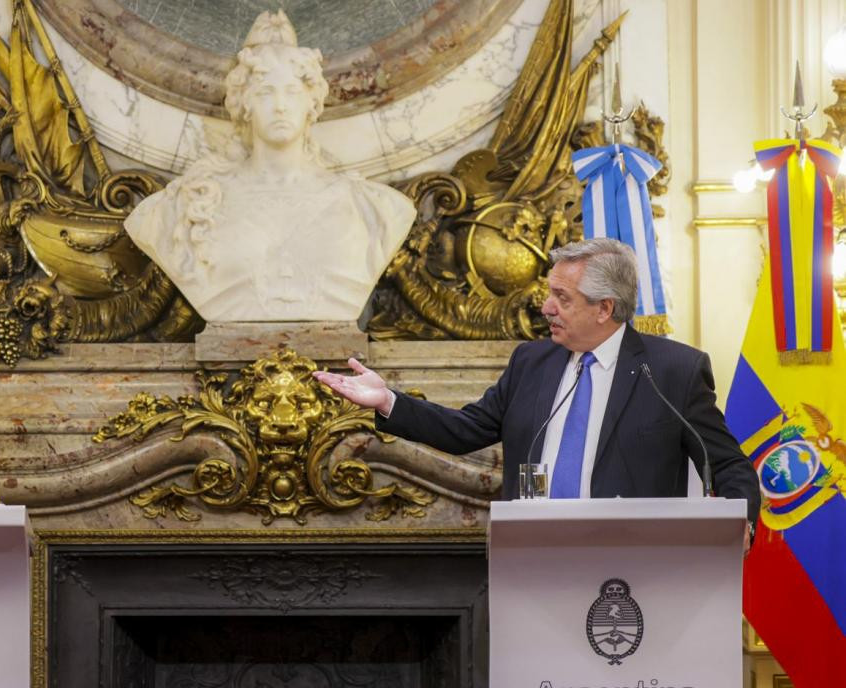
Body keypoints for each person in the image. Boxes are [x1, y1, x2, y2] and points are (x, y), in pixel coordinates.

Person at [313, 238, 761, 522]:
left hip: (632, 565)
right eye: (549, 293)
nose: (545, 307)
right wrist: (388, 400)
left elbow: (726, 462)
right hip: (534, 559)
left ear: (604, 308)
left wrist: (742, 521)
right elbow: (467, 429)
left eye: (561, 298)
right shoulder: (532, 361)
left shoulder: (671, 371)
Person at [124, 10, 415, 322]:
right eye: (265, 92)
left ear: (312, 103)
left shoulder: (373, 207)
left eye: (292, 92)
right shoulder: (189, 204)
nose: (280, 105)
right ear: (245, 105)